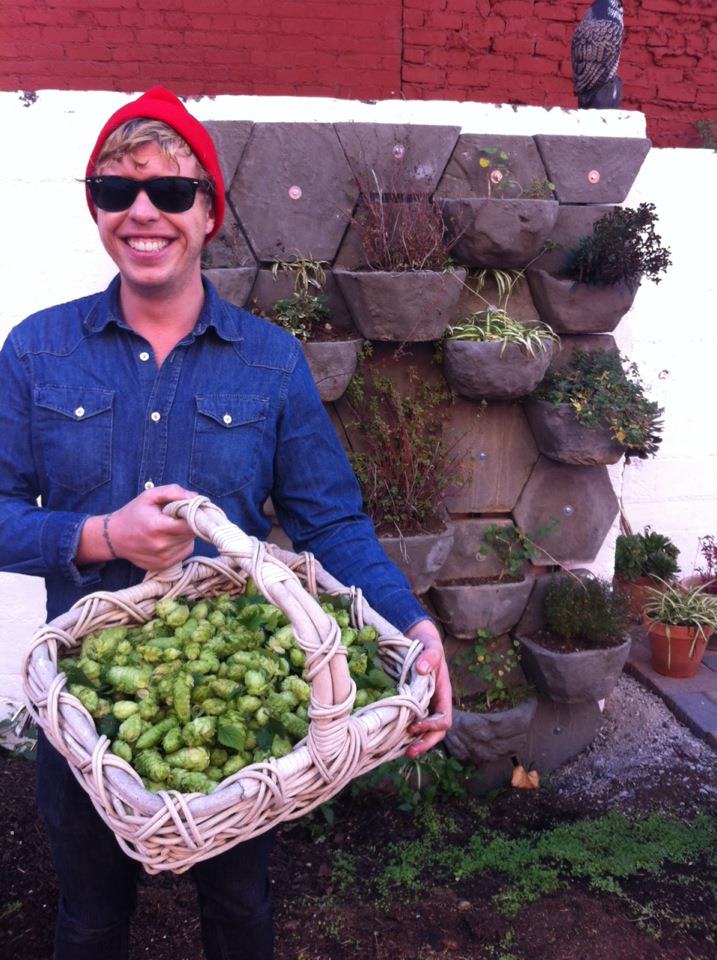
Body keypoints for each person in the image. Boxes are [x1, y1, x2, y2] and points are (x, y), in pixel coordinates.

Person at [0, 87, 451, 960]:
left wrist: (416, 627)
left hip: (240, 730)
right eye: (116, 190)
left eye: (171, 192)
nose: (143, 213)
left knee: (241, 916)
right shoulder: (35, 351)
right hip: (86, 704)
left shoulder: (271, 361)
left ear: (211, 212)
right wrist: (98, 538)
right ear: (93, 206)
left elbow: (334, 524)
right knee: (89, 921)